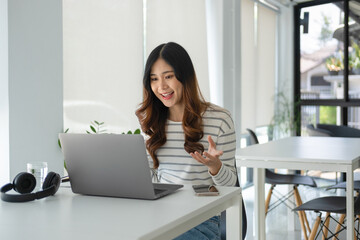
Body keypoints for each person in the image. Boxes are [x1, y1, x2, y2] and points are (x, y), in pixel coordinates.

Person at [136, 42, 237, 240]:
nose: (161, 86)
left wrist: (215, 167)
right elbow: (149, 178)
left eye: (168, 76)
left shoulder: (219, 119)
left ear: (185, 76)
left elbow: (231, 185)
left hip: (203, 219)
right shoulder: (152, 121)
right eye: (154, 79)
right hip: (159, 215)